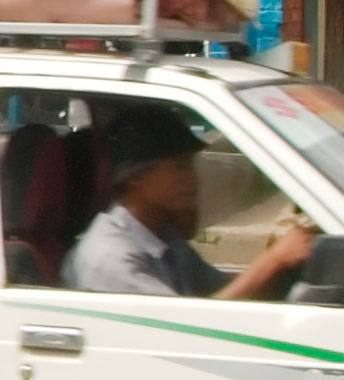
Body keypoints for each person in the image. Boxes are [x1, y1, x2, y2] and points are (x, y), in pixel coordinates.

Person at [61, 99, 318, 301]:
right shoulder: (112, 258)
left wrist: (281, 268)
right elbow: (191, 329)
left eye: (190, 166)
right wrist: (275, 260)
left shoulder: (162, 236)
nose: (192, 179)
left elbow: (216, 292)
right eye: (179, 167)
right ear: (136, 177)